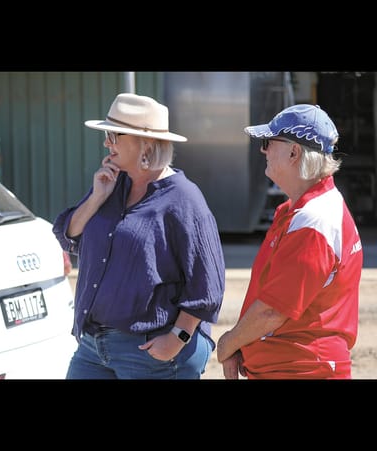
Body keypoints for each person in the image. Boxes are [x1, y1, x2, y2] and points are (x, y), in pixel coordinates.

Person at [52, 93, 226, 379]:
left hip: (149, 350)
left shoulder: (184, 199)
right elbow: (68, 234)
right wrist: (96, 198)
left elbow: (207, 286)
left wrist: (177, 338)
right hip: (93, 345)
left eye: (113, 134)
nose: (106, 142)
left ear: (144, 143)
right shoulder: (112, 185)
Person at [216, 104, 363, 379]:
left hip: (302, 370)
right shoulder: (304, 211)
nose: (263, 150)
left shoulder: (313, 220)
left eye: (268, 143)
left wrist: (229, 342)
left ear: (294, 152)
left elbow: (272, 311)